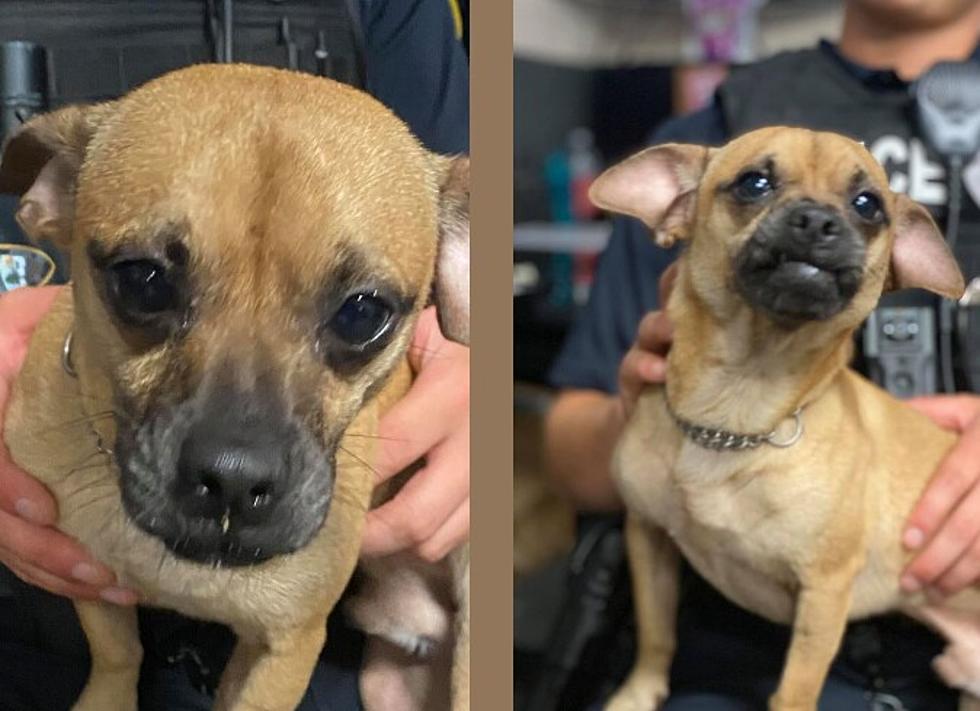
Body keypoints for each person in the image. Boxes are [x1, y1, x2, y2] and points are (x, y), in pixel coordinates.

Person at [0, 1, 469, 709]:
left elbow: (472, 313)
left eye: (358, 314)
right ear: (52, 195)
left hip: (340, 633)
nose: (235, 457)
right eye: (147, 284)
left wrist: (484, 368)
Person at [545, 0, 980, 708]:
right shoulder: (715, 123)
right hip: (727, 659)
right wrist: (642, 418)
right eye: (755, 186)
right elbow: (567, 453)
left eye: (862, 209)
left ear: (900, 252)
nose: (813, 220)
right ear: (677, 207)